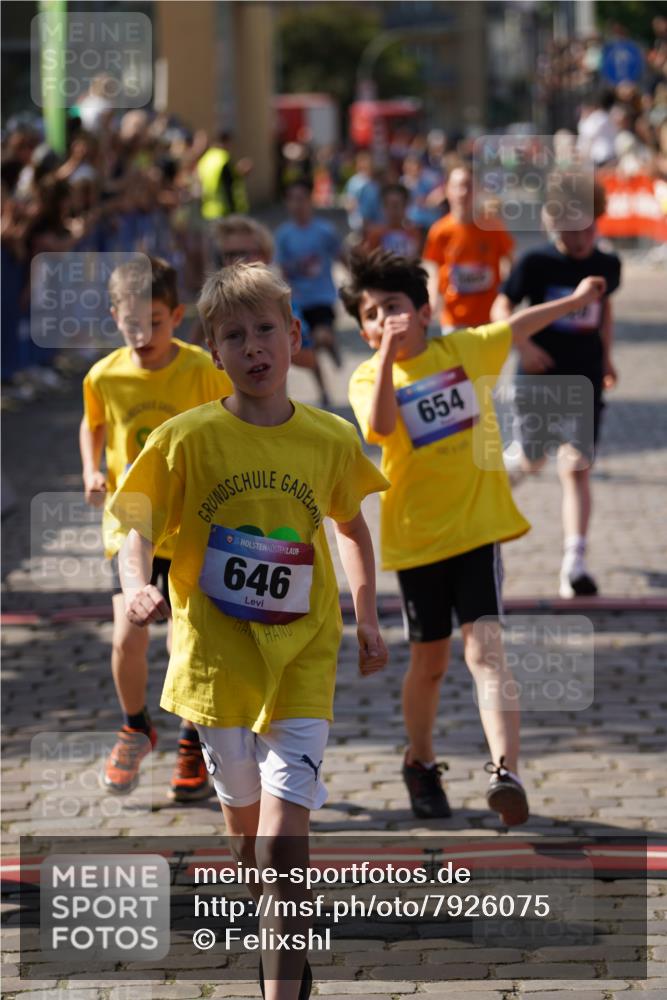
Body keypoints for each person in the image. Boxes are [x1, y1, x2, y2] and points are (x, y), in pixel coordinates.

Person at [109, 261, 388, 1000]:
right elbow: (133, 517)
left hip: (301, 656)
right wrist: (137, 585)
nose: (254, 346)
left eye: (266, 329)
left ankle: (279, 986)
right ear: (215, 351)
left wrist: (365, 610)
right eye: (235, 336)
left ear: (294, 336)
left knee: (282, 848)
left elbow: (352, 527)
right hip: (216, 663)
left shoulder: (328, 438)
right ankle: (287, 956)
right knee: (247, 846)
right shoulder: (187, 438)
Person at [344, 248, 607, 825]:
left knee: (486, 653)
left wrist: (579, 301)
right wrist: (387, 355)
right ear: (362, 330)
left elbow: (515, 326)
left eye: (393, 307)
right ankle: (420, 760)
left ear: (423, 309)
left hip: (477, 531)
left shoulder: (463, 351)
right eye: (370, 314)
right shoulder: (368, 375)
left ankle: (504, 769)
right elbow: (381, 426)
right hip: (417, 541)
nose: (383, 319)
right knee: (431, 664)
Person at [80, 256, 233, 800]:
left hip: (193, 522)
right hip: (133, 524)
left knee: (186, 640)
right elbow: (93, 423)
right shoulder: (103, 375)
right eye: (131, 323)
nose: (144, 334)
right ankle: (135, 724)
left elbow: (229, 420)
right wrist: (91, 470)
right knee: (128, 634)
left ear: (177, 315)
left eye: (156, 321)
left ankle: (191, 739)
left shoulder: (201, 369)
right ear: (115, 316)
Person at [491, 179, 621, 599]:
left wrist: (606, 358)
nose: (581, 239)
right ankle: (507, 474)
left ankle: (574, 564)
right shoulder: (535, 263)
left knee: (577, 466)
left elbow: (604, 310)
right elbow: (502, 306)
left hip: (584, 378)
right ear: (555, 226)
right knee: (533, 461)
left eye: (588, 229)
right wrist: (522, 344)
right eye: (571, 230)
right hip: (538, 377)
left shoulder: (608, 264)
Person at [423, 163, 514, 333]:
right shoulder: (439, 231)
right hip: (454, 319)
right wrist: (432, 297)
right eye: (457, 186)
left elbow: (508, 261)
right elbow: (433, 267)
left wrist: (507, 296)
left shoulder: (493, 227)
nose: (463, 192)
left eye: (469, 186)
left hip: (489, 317)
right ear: (447, 190)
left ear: (477, 190)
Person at [275, 179, 343, 367]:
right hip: (299, 299)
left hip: (322, 296)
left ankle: (330, 344)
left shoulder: (324, 230)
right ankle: (324, 391)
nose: (298, 204)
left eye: (302, 198)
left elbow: (340, 255)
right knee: (308, 348)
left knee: (321, 336)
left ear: (310, 200)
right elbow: (282, 269)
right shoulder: (284, 235)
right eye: (292, 199)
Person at [363, 183, 422, 259]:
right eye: (388, 205)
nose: (393, 210)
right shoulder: (375, 235)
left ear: (405, 206)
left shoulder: (414, 233)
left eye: (396, 205)